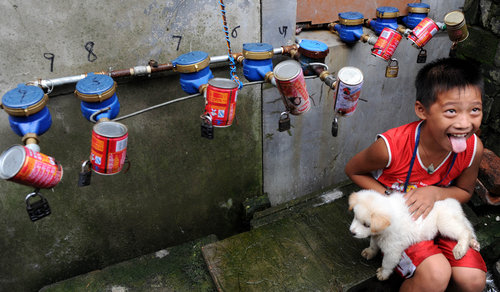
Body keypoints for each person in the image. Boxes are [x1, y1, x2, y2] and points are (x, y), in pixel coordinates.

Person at [345, 57, 487, 292]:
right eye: (451, 111)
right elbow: (353, 170)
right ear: (422, 110)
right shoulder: (391, 147)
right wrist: (390, 198)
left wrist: (434, 193)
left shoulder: (473, 148)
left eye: (474, 110)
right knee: (436, 276)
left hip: (437, 217)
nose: (464, 123)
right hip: (403, 226)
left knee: (473, 280)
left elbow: (464, 191)